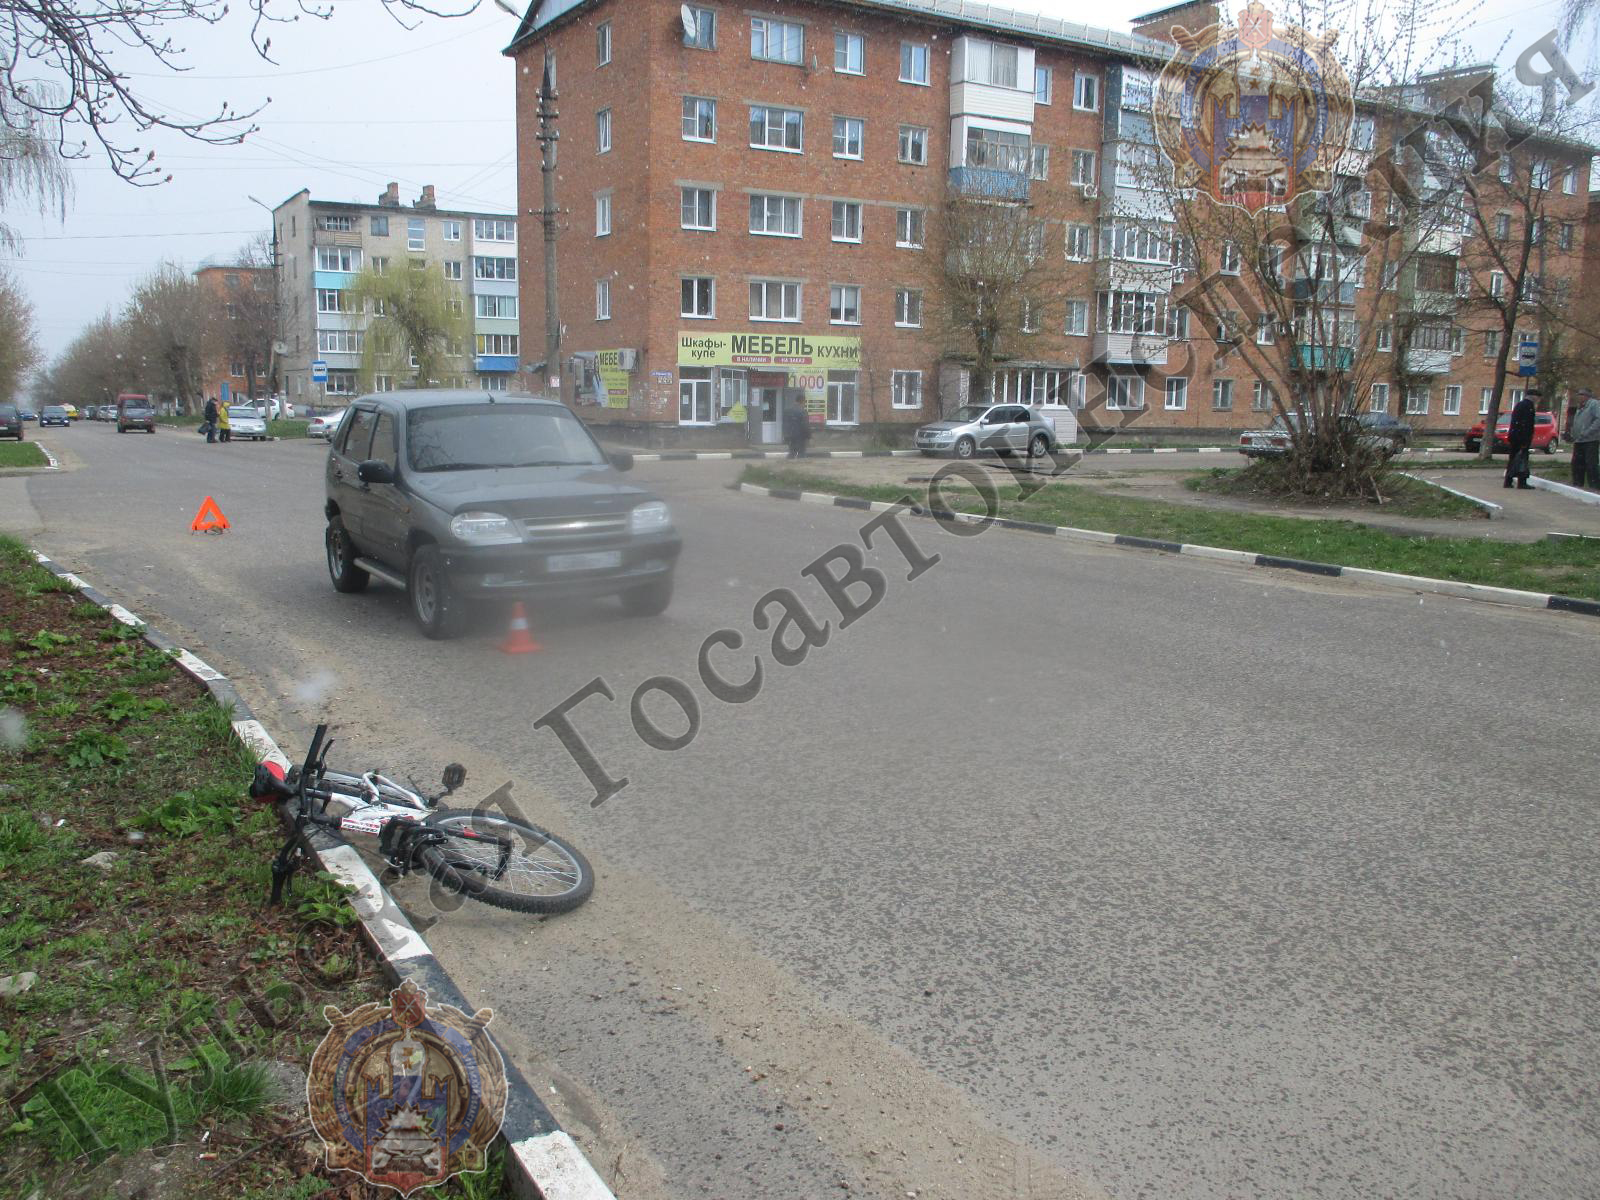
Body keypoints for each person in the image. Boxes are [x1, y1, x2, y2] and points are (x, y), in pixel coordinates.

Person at [1503, 388, 1537, 489]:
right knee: (1522, 459)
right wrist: (1525, 439)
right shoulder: (1528, 406)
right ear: (1533, 396)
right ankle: (1522, 482)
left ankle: (1508, 481)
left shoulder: (1519, 405)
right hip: (1521, 438)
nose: (1537, 400)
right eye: (1537, 397)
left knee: (1513, 459)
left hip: (1514, 436)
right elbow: (1526, 424)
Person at [1568, 388, 1600, 489]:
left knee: (1591, 463)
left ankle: (1594, 485)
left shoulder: (1593, 404)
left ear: (1587, 396)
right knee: (1577, 463)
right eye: (1579, 394)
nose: (1579, 397)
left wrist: (1588, 432)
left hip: (1590, 439)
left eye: (1581, 395)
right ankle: (1578, 483)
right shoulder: (1581, 406)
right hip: (1579, 439)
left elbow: (1598, 419)